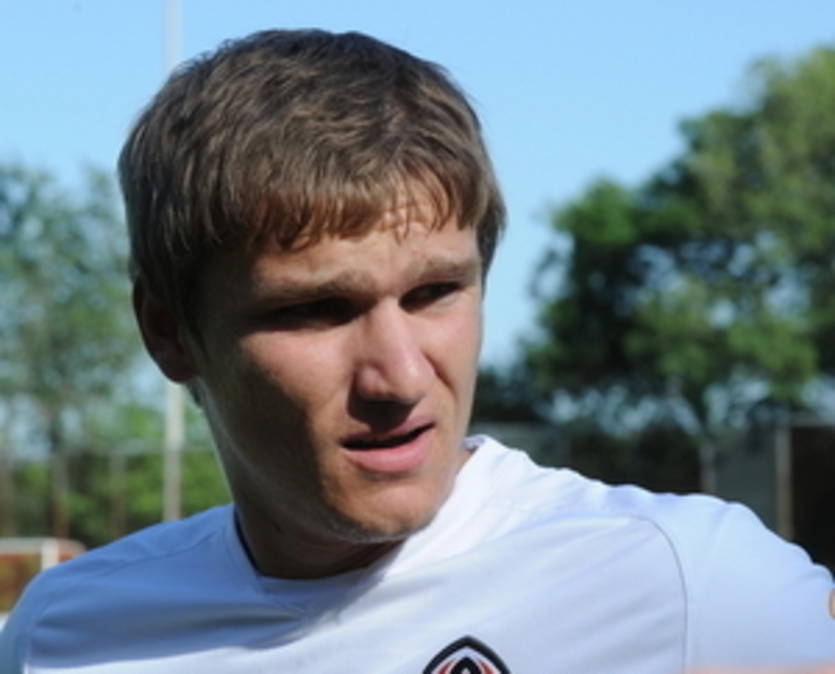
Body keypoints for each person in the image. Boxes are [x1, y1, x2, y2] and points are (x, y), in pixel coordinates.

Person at [0, 29, 833, 674]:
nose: (399, 376)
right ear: (168, 331)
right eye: (318, 310)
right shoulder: (68, 635)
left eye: (435, 292)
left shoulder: (695, 586)